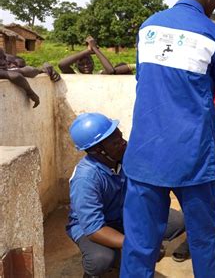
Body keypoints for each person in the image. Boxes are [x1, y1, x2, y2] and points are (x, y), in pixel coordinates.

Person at [121, 0, 215, 278]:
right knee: (204, 241)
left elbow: (145, 82)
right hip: (193, 159)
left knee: (139, 244)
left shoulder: (149, 26)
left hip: (145, 154)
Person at [67, 113, 186, 277]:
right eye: (116, 143)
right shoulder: (86, 179)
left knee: (177, 222)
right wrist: (137, 246)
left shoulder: (123, 156)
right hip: (94, 227)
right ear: (97, 151)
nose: (123, 143)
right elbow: (94, 229)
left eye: (121, 137)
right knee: (101, 259)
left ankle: (127, 249)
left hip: (124, 215)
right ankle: (96, 270)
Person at [58, 36, 134, 75]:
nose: (86, 66)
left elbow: (110, 70)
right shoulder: (75, 75)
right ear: (76, 66)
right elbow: (62, 65)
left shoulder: (98, 74)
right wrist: (87, 51)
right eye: (81, 64)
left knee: (122, 65)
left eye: (88, 63)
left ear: (93, 63)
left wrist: (94, 48)